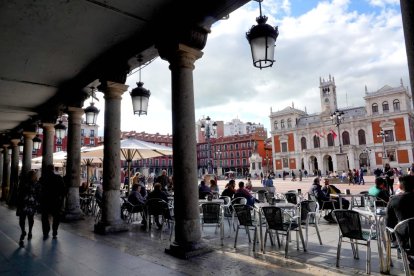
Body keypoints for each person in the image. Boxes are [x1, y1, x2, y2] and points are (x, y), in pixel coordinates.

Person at [386, 175, 414, 266]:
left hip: (405, 240)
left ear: (400, 186)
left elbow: (389, 223)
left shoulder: (394, 200)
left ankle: (410, 260)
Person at [39, 165, 65, 240]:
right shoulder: (58, 178)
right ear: (53, 169)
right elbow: (63, 190)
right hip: (56, 201)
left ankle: (46, 232)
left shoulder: (42, 178)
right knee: (56, 217)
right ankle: (54, 231)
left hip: (45, 200)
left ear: (46, 169)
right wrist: (61, 198)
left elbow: (39, 190)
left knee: (44, 217)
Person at [16, 170, 41, 247]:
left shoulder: (23, 183)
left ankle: (24, 231)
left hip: (24, 203)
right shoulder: (37, 184)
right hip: (31, 204)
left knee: (22, 219)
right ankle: (29, 232)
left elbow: (19, 193)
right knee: (30, 219)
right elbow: (39, 195)